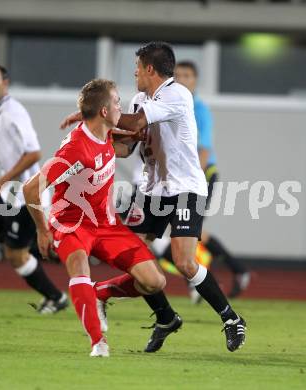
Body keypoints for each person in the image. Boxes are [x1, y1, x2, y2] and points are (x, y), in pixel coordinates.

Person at [60, 42, 247, 354]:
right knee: (135, 259)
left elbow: (133, 123)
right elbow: (126, 145)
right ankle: (165, 317)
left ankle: (231, 319)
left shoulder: (176, 94)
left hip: (186, 188)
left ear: (150, 69)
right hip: (151, 192)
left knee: (185, 262)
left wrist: (91, 113)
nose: (134, 73)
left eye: (137, 67)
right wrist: (93, 138)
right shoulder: (139, 99)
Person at [23, 79, 168, 357]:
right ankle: (98, 342)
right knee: (79, 265)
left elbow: (118, 145)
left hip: (106, 223)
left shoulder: (106, 133)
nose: (120, 106)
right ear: (103, 111)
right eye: (116, 102)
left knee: (155, 282)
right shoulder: (76, 149)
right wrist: (42, 230)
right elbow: (31, 188)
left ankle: (98, 293)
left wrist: (138, 137)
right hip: (71, 223)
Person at [0, 63, 68, 314]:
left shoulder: (13, 111)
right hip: (9, 193)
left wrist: (0, 182)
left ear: (5, 82)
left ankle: (56, 298)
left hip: (27, 198)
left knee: (15, 256)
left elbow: (34, 153)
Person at [171, 60, 251, 300]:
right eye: (178, 75)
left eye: (187, 75)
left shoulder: (199, 110)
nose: (182, 79)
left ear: (195, 81)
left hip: (201, 174)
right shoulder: (174, 105)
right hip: (184, 176)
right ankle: (237, 269)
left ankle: (200, 280)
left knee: (187, 229)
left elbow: (203, 149)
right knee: (189, 229)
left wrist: (190, 178)